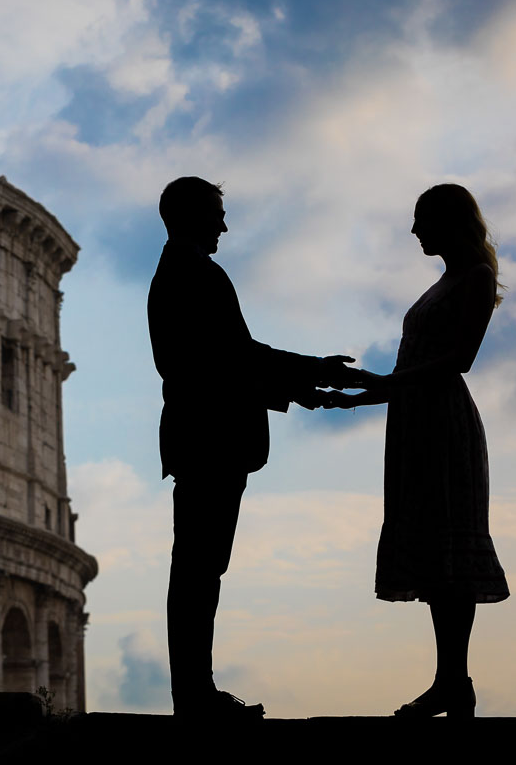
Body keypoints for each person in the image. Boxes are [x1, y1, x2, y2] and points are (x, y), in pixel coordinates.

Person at [147, 176, 362, 721]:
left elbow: (227, 361)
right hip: (211, 440)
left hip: (200, 437)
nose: (225, 224)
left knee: (198, 568)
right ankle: (195, 694)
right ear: (192, 215)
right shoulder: (197, 273)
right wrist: (310, 377)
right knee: (200, 570)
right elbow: (233, 360)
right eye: (217, 213)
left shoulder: (178, 271)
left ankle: (195, 691)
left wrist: (304, 386)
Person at [323, 183, 510, 718]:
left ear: (448, 222)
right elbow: (417, 364)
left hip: (442, 422)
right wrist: (362, 396)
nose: (413, 232)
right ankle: (450, 679)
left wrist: (384, 383)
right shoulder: (448, 281)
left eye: (421, 220)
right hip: (415, 420)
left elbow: (459, 358)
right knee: (433, 548)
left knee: (449, 546)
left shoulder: (473, 278)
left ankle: (454, 679)